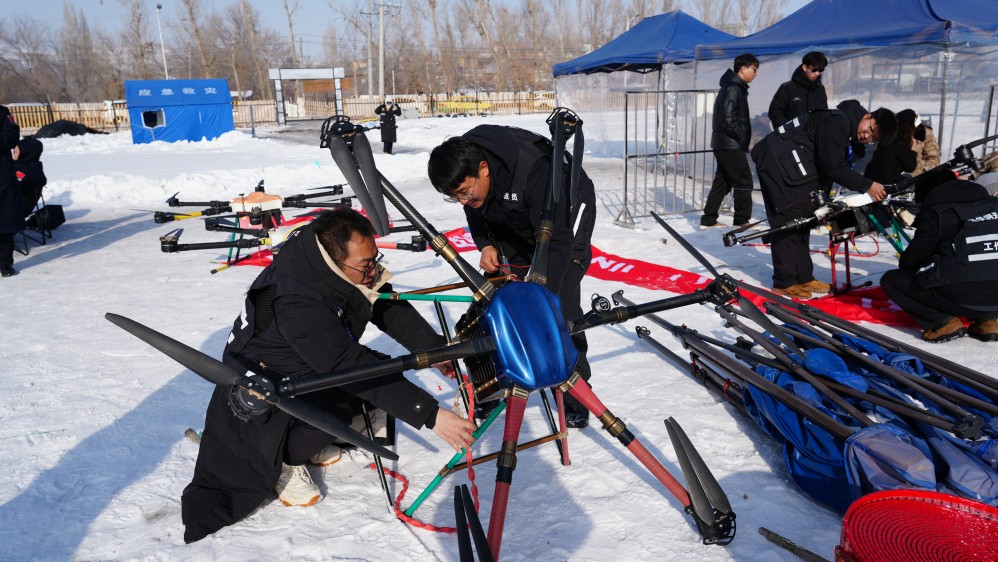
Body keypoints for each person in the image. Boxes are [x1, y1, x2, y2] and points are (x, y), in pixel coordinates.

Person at [181, 208, 477, 543]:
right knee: (340, 405)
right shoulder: (296, 303)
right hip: (266, 395)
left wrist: (436, 351)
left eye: (373, 258)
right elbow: (347, 364)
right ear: (335, 262)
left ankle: (308, 437)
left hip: (304, 365)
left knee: (368, 380)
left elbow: (382, 302)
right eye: (365, 265)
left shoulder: (319, 261)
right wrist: (432, 415)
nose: (373, 269)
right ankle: (283, 460)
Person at [427, 124, 597, 428]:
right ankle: (497, 382)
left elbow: (558, 241)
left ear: (484, 169)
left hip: (565, 226)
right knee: (504, 304)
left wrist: (542, 296)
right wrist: (486, 243)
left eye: (465, 192)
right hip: (514, 221)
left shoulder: (534, 168)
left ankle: (576, 391)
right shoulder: (471, 173)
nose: (463, 201)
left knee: (560, 309)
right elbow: (473, 210)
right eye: (455, 197)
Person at [752, 99, 897, 299]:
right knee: (788, 219)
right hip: (777, 162)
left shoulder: (848, 129)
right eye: (870, 129)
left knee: (804, 218)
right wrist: (868, 185)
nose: (866, 136)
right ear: (867, 116)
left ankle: (803, 276)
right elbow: (833, 166)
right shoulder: (839, 122)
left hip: (793, 166)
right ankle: (784, 281)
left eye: (872, 138)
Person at [880, 178, 998, 343]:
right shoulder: (994, 205)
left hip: (962, 296)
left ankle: (943, 323)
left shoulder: (939, 212)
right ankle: (988, 322)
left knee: (892, 280)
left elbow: (911, 261)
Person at [701, 53, 759, 229]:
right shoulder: (732, 88)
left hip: (726, 143)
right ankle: (741, 221)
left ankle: (708, 219)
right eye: (754, 70)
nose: (756, 74)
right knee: (743, 181)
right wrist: (741, 136)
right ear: (743, 69)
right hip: (730, 143)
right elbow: (727, 118)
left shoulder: (735, 87)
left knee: (723, 181)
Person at [768, 51, 829, 130]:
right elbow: (775, 111)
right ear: (804, 67)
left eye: (820, 70)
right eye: (814, 70)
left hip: (815, 137)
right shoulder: (787, 88)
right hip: (792, 139)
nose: (817, 73)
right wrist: (787, 131)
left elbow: (824, 113)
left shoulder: (820, 89)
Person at [864, 111, 916, 185]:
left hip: (870, 179)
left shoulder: (886, 139)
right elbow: (910, 167)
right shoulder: (899, 144)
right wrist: (913, 150)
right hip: (884, 184)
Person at [0, 105, 22, 278]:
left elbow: (11, 137)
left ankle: (5, 264)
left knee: (4, 222)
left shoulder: (4, 114)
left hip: (2, 178)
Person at [896, 110, 940, 176]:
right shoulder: (893, 133)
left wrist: (921, 171)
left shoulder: (925, 133)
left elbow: (934, 158)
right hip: (894, 174)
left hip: (918, 176)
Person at [13, 137, 46, 217]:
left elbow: (11, 191)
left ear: (25, 153)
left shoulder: (25, 171)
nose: (13, 153)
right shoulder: (34, 167)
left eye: (15, 151)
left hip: (13, 212)